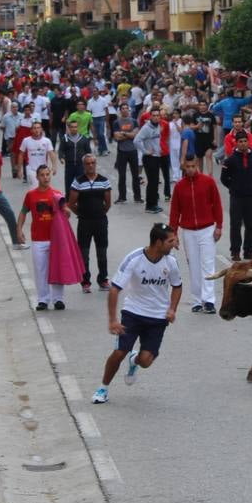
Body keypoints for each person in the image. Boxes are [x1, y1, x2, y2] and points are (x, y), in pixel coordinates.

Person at [91, 223, 183, 405]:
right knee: (119, 353)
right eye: (171, 241)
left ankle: (135, 360)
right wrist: (112, 320)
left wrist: (172, 309)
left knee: (146, 361)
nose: (174, 244)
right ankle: (103, 388)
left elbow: (177, 286)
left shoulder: (171, 262)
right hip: (133, 313)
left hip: (158, 318)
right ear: (158, 242)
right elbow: (115, 289)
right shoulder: (134, 259)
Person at [170, 153, 224, 314]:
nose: (191, 169)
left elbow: (217, 205)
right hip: (188, 231)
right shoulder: (179, 186)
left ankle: (208, 301)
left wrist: (219, 226)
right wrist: (174, 234)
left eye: (193, 166)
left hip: (207, 229)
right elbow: (174, 211)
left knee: (207, 265)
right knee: (193, 266)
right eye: (188, 167)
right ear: (184, 167)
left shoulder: (208, 182)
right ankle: (196, 300)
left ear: (197, 165)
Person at [18, 165, 66, 311]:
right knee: (40, 270)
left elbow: (65, 215)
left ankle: (58, 299)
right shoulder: (31, 195)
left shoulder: (57, 194)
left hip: (55, 239)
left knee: (57, 269)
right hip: (38, 240)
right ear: (37, 177)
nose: (46, 177)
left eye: (47, 174)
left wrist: (66, 210)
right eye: (42, 175)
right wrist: (18, 230)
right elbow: (23, 212)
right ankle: (43, 300)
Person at [68, 153, 113, 294]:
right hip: (84, 223)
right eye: (88, 163)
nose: (91, 165)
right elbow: (71, 203)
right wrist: (81, 214)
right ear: (84, 165)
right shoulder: (78, 181)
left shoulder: (104, 181)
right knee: (84, 253)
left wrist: (99, 213)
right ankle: (85, 281)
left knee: (102, 252)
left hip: (100, 222)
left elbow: (108, 203)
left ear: (96, 163)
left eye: (93, 162)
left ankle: (103, 280)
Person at [220, 131, 252, 262]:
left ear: (248, 142)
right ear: (236, 143)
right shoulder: (230, 160)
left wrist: (250, 186)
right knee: (235, 225)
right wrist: (234, 187)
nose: (243, 144)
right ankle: (235, 251)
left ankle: (248, 251)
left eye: (245, 141)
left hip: (251, 197)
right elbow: (224, 178)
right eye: (240, 141)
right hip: (237, 198)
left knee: (250, 226)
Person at [135, 112, 165, 213]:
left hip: (156, 157)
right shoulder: (146, 128)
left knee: (155, 182)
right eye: (154, 116)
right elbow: (136, 141)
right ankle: (149, 206)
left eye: (158, 115)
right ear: (150, 117)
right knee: (152, 182)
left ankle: (154, 204)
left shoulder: (157, 126)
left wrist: (159, 149)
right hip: (149, 158)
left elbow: (155, 141)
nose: (156, 117)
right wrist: (146, 151)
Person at [59, 117, 93, 193]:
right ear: (69, 128)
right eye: (72, 127)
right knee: (69, 185)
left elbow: (88, 152)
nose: (74, 129)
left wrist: (90, 163)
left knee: (81, 184)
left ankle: (81, 201)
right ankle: (68, 201)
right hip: (69, 165)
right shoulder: (65, 139)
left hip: (81, 165)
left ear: (78, 127)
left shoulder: (84, 139)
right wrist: (61, 158)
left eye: (75, 127)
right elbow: (61, 150)